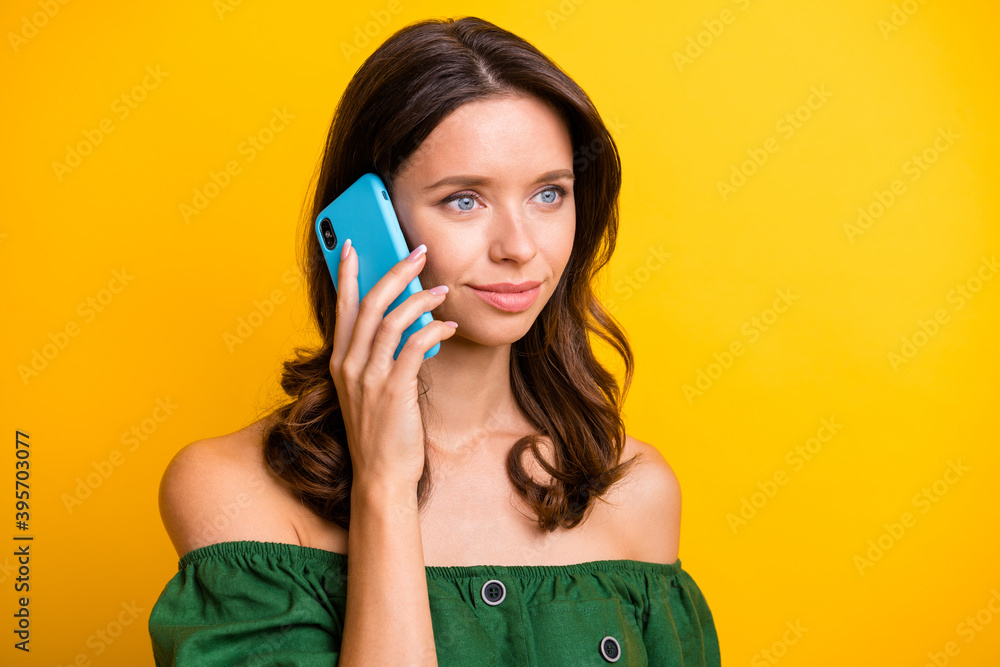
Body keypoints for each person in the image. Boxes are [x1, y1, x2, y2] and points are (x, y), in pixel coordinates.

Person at [148, 15, 721, 667]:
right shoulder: (228, 490)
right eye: (464, 201)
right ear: (370, 220)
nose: (521, 247)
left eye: (548, 193)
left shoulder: (636, 491)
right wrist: (385, 487)